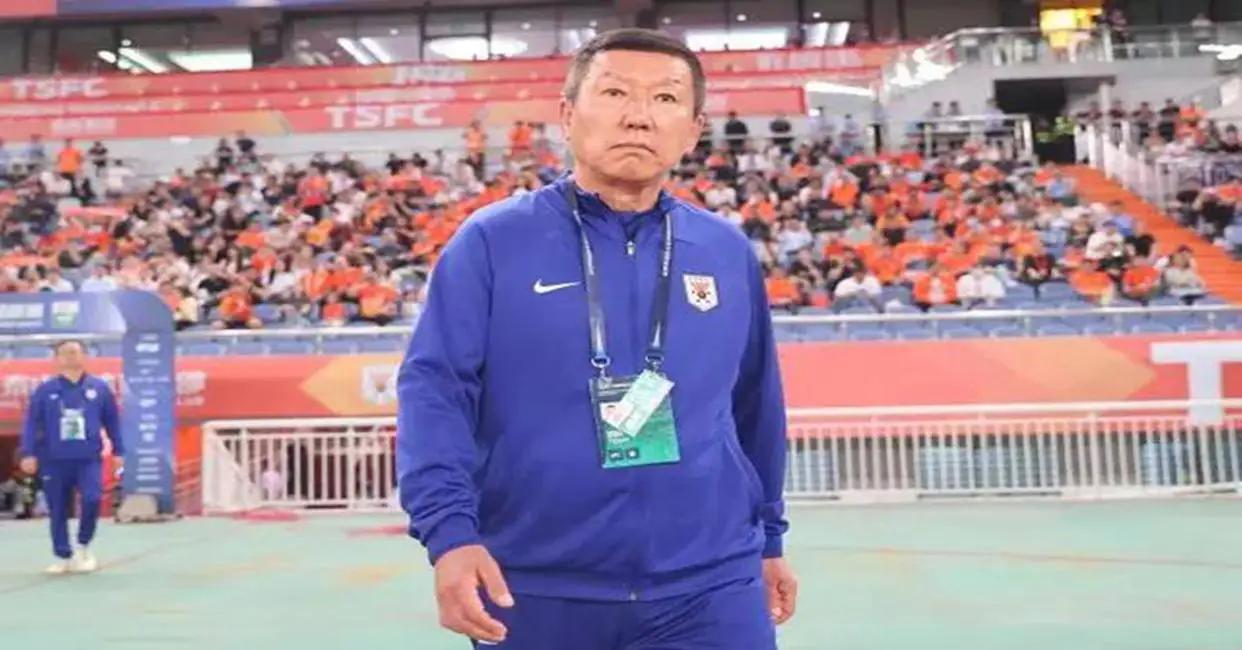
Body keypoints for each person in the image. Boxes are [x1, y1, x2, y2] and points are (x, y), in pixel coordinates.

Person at [397, 28, 795, 650]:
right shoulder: (493, 242)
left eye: (665, 99)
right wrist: (450, 536)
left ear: (693, 130)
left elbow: (755, 405)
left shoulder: (724, 251)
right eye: (614, 93)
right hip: (533, 585)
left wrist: (769, 539)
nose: (638, 116)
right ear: (567, 114)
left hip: (712, 584)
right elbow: (435, 394)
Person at [18, 340, 123, 574]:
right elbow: (32, 424)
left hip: (88, 459)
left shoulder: (99, 388)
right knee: (57, 509)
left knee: (92, 499)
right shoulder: (45, 391)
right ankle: (62, 555)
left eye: (75, 352)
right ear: (56, 359)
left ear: (85, 356)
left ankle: (83, 545)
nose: (70, 357)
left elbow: (113, 422)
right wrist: (28, 453)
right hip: (53, 459)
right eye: (64, 353)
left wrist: (119, 451)